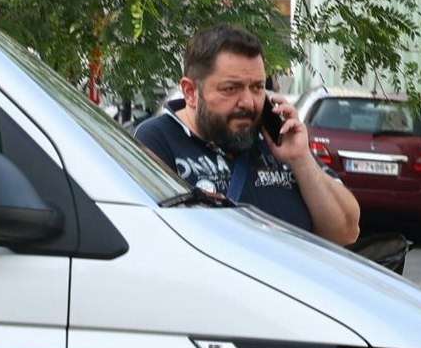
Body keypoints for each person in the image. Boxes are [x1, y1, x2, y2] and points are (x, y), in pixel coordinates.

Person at [134, 24, 364, 247]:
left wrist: (300, 159)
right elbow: (154, 238)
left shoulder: (275, 139)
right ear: (191, 92)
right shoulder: (159, 139)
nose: (248, 102)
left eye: (256, 87)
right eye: (230, 89)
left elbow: (346, 231)